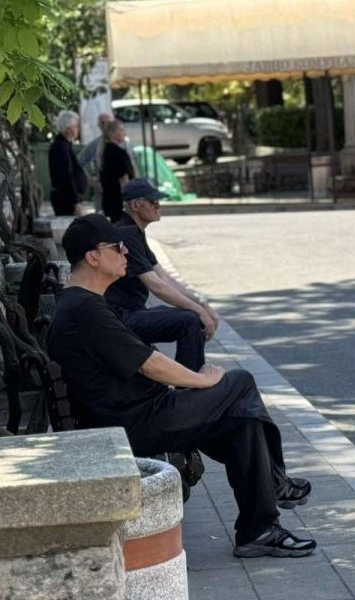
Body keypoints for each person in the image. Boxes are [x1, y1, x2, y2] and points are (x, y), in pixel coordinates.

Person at [48, 214, 317, 558]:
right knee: (240, 383)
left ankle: (259, 529)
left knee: (243, 421)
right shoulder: (85, 310)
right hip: (138, 422)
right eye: (118, 246)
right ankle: (276, 483)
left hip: (137, 414)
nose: (126, 251)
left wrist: (193, 387)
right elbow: (151, 364)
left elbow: (140, 361)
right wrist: (202, 380)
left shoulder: (81, 303)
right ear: (93, 257)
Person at [106, 179, 219, 372]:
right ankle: (190, 385)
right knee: (190, 321)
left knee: (192, 315)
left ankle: (191, 380)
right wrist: (199, 311)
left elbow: (165, 279)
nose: (158, 206)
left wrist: (201, 304)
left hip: (130, 313)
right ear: (135, 205)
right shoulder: (126, 233)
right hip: (119, 319)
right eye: (152, 202)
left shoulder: (135, 232)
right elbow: (156, 286)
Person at [48, 110, 85, 216]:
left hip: (68, 197)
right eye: (76, 126)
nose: (78, 129)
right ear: (68, 128)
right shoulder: (61, 147)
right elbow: (66, 176)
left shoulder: (65, 145)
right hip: (66, 199)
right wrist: (75, 202)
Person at [99, 119, 136, 222]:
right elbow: (123, 179)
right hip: (119, 199)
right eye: (121, 130)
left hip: (108, 198)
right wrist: (129, 200)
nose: (124, 133)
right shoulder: (118, 153)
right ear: (113, 133)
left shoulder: (104, 151)